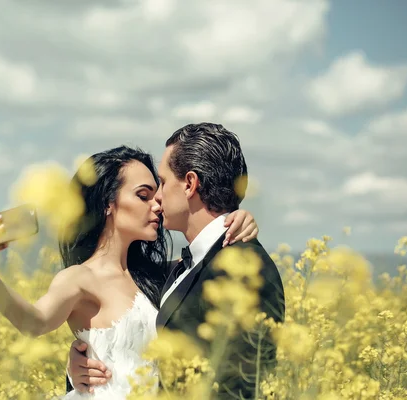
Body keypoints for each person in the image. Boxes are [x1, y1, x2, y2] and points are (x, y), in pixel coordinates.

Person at [0, 145, 260, 399]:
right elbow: (34, 322)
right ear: (108, 203)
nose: (157, 206)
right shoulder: (79, 279)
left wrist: (237, 219)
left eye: (157, 197)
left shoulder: (164, 276)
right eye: (143, 196)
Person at [67, 123, 286, 399]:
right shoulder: (182, 267)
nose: (158, 197)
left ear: (190, 184)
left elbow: (245, 384)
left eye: (163, 182)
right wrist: (81, 370)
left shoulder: (244, 269)